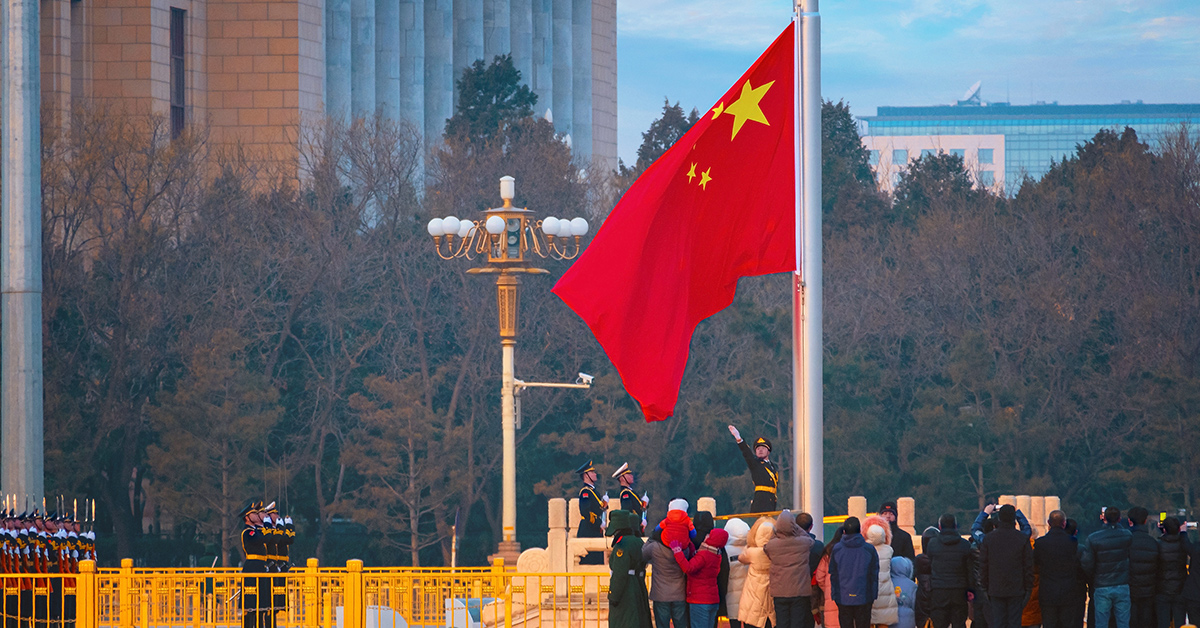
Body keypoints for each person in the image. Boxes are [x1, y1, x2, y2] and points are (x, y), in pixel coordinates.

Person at [980, 505, 1034, 628]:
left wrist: (984, 586)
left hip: (995, 588)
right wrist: (1028, 588)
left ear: (999, 518)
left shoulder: (989, 539)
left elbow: (984, 565)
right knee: (1014, 623)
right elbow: (1028, 566)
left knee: (998, 623)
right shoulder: (1022, 538)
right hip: (1017, 588)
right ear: (1014, 519)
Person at [1081, 507, 1132, 628]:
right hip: (1122, 582)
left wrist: (1092, 578)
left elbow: (1087, 563)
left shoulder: (1094, 538)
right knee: (1123, 622)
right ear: (1120, 519)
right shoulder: (1127, 536)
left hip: (1102, 585)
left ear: (1104, 518)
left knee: (1101, 622)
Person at [764, 511, 815, 628]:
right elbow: (810, 539)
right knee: (798, 623)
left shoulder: (772, 545)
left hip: (779, 591)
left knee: (782, 623)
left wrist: (776, 532)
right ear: (794, 525)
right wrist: (796, 528)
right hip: (799, 590)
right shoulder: (804, 543)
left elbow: (766, 547)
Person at [672, 527, 730, 628]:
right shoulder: (716, 555)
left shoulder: (704, 555)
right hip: (712, 599)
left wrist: (677, 552)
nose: (707, 536)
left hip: (699, 600)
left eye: (710, 535)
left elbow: (688, 568)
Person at [829, 517, 879, 628]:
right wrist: (873, 595)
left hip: (843, 597)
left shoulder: (837, 549)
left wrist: (835, 595)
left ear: (844, 531)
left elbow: (833, 573)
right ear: (860, 530)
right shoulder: (869, 549)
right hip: (864, 597)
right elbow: (874, 574)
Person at [1034, 510, 1081, 628]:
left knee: (1049, 624)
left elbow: (1035, 562)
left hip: (1047, 591)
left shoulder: (1040, 543)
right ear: (1064, 523)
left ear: (1048, 522)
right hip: (1068, 590)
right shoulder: (1072, 542)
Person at [925, 514, 974, 628]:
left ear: (940, 527)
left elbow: (929, 565)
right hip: (959, 590)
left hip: (939, 590)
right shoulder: (965, 544)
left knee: (939, 623)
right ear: (955, 526)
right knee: (959, 623)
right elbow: (969, 570)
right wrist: (971, 589)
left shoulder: (932, 544)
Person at [609, 510, 653, 628]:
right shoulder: (637, 541)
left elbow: (619, 573)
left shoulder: (622, 545)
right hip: (638, 585)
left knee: (625, 621)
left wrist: (613, 595)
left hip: (626, 590)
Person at [643, 527, 689, 628]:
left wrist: (651, 538)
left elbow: (643, 553)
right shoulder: (684, 549)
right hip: (679, 593)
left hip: (661, 594)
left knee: (662, 625)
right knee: (681, 624)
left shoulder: (654, 547)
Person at [727, 425, 779, 513]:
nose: (760, 450)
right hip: (761, 503)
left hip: (771, 501)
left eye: (763, 448)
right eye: (758, 449)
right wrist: (739, 439)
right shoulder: (755, 464)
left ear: (768, 451)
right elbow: (747, 453)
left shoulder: (772, 466)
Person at [738, 518, 777, 628]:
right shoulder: (776, 551)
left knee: (753, 615)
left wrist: (749, 546)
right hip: (771, 586)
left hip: (754, 588)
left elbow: (741, 558)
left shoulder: (751, 552)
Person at [693, 512, 730, 622]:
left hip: (692, 597)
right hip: (713, 596)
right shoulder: (717, 544)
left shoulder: (690, 542)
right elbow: (724, 573)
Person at [864, 514, 899, 627]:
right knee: (884, 620)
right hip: (885, 590)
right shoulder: (889, 550)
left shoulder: (864, 549)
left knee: (868, 619)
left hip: (869, 589)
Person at [1125, 508, 1157, 628]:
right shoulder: (1153, 543)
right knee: (1146, 619)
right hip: (1149, 588)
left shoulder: (1126, 541)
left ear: (1129, 521)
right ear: (1145, 521)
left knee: (1131, 619)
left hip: (1130, 587)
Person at [239, 500, 269, 628]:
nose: (257, 516)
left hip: (260, 566)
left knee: (261, 603)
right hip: (252, 566)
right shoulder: (248, 532)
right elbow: (260, 538)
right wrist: (265, 524)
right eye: (254, 514)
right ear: (247, 517)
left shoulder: (257, 530)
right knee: (250, 603)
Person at [1155, 517, 1187, 628]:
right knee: (1179, 622)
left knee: (1163, 622)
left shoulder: (1158, 544)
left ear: (1164, 529)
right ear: (1179, 529)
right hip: (1180, 588)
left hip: (1162, 588)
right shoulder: (1183, 544)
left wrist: (1162, 533)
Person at [575, 460, 606, 565]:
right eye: (592, 472)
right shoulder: (585, 492)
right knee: (590, 560)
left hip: (595, 529)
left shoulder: (593, 491)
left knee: (597, 559)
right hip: (588, 528)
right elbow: (585, 511)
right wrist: (599, 523)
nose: (595, 474)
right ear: (586, 475)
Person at [816, 527, 847, 628]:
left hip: (831, 597)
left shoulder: (828, 554)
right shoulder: (850, 553)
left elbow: (819, 577)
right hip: (848, 596)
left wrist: (827, 589)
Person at [724, 519, 752, 628]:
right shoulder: (750, 549)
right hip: (748, 594)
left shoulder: (725, 551)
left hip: (731, 594)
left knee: (734, 622)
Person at [614, 463, 650, 534]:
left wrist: (644, 503)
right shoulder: (626, 493)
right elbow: (627, 511)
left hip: (637, 527)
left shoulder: (630, 492)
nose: (631, 476)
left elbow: (638, 508)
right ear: (622, 478)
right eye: (628, 475)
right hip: (633, 529)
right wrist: (640, 520)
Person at [915, 526, 938, 628]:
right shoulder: (940, 559)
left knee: (922, 621)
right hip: (937, 591)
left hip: (921, 592)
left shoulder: (918, 559)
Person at [893, 557, 918, 628]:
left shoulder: (889, 583)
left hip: (891, 620)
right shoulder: (912, 585)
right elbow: (914, 604)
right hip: (908, 621)